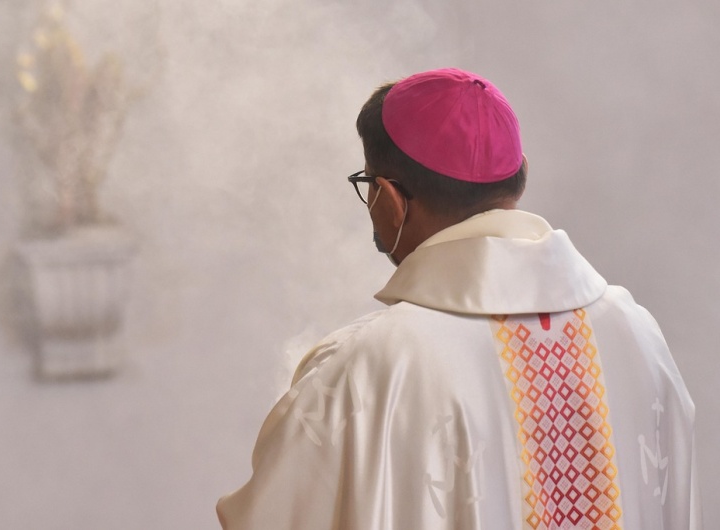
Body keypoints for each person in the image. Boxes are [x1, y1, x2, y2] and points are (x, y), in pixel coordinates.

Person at [216, 68, 701, 529]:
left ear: (389, 198)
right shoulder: (637, 335)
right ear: (520, 175)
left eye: (367, 186)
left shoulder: (367, 368)